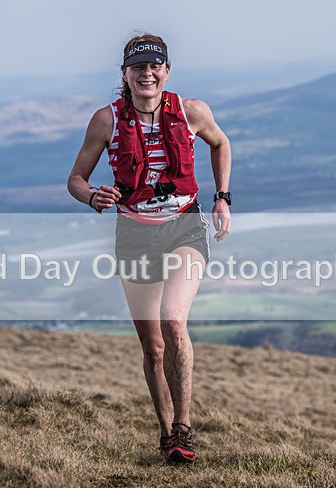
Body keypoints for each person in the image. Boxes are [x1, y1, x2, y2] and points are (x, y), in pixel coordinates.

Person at [67, 33, 231, 464]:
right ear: (124, 74)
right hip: (135, 234)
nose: (147, 73)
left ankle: (185, 426)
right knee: (153, 347)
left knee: (173, 320)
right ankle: (167, 435)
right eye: (138, 67)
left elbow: (221, 144)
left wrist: (222, 198)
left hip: (185, 228)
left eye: (155, 65)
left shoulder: (193, 111)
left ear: (167, 71)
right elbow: (75, 179)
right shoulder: (106, 120)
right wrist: (92, 196)